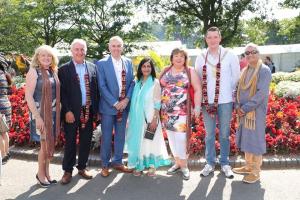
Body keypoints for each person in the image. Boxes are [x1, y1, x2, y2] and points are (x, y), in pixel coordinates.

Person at [195, 26, 240, 178]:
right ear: (206, 39)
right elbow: (199, 79)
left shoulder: (230, 55)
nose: (213, 40)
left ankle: (225, 163)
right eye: (209, 37)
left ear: (220, 38)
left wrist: (225, 91)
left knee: (224, 134)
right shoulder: (201, 56)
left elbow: (235, 78)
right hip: (207, 102)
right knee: (209, 134)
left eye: (215, 37)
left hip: (225, 101)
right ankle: (209, 163)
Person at [58, 39, 99, 184]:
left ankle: (82, 167)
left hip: (88, 110)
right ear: (71, 51)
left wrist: (97, 109)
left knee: (86, 141)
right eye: (77, 49)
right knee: (70, 142)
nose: (80, 52)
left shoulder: (93, 68)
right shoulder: (63, 69)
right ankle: (67, 171)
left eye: (82, 49)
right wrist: (67, 111)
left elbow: (96, 90)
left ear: (86, 51)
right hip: (71, 113)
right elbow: (62, 93)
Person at [160, 48, 202, 180]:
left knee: (181, 139)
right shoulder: (166, 70)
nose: (178, 58)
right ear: (171, 58)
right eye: (176, 56)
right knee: (171, 139)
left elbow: (198, 89)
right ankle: (177, 163)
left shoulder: (190, 71)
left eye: (181, 56)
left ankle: (184, 166)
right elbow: (157, 86)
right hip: (166, 112)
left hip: (182, 112)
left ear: (185, 59)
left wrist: (197, 107)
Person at [233, 43, 272, 184]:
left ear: (258, 52)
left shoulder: (264, 70)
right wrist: (237, 105)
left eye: (253, 52)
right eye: (247, 53)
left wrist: (244, 108)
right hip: (243, 111)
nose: (250, 55)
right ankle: (248, 166)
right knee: (246, 138)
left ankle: (256, 172)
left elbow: (261, 94)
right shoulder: (245, 70)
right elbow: (237, 89)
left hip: (255, 112)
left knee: (255, 140)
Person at [96, 36, 135, 177]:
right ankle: (105, 165)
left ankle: (118, 161)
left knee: (120, 136)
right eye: (113, 46)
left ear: (122, 47)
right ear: (109, 47)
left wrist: (126, 100)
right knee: (106, 136)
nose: (116, 48)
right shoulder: (101, 64)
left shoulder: (128, 62)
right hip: (108, 107)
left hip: (124, 107)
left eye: (119, 46)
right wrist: (115, 103)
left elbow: (132, 82)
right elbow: (102, 86)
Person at [126, 58, 171, 177]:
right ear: (140, 68)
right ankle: (139, 165)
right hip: (137, 118)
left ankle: (152, 166)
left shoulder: (154, 82)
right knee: (140, 142)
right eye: (144, 66)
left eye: (148, 66)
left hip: (150, 116)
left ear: (152, 69)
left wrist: (155, 119)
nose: (146, 68)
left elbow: (157, 103)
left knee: (151, 141)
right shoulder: (137, 82)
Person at [25, 45, 61, 187]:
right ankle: (40, 174)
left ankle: (47, 173)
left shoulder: (53, 71)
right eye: (43, 56)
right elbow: (28, 96)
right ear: (37, 57)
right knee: (44, 145)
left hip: (52, 114)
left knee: (49, 143)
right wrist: (37, 117)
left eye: (49, 56)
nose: (46, 58)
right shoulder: (34, 72)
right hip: (40, 114)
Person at [0, 55, 12, 165]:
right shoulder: (4, 74)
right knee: (4, 132)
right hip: (6, 104)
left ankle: (3, 155)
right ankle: (7, 153)